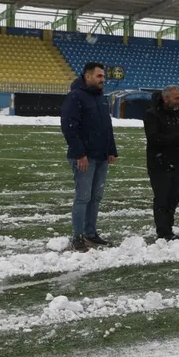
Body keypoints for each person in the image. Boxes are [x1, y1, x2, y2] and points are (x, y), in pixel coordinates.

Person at [60, 62, 118, 252]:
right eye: (99, 76)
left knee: (96, 196)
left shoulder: (101, 99)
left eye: (103, 76)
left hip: (101, 156)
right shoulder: (76, 97)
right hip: (85, 157)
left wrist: (111, 149)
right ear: (87, 76)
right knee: (83, 197)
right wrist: (79, 154)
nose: (103, 79)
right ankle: (78, 236)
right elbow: (69, 127)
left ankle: (91, 234)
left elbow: (107, 127)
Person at [143, 85, 179, 241]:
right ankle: (163, 232)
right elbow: (153, 138)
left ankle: (168, 229)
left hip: (175, 162)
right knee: (162, 199)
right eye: (177, 98)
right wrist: (176, 139)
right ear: (166, 98)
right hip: (158, 163)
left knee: (173, 198)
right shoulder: (152, 114)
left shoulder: (178, 113)